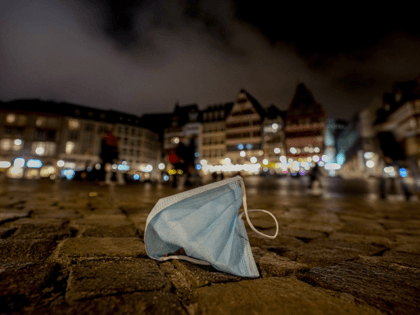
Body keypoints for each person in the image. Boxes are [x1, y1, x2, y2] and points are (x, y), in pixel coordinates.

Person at [376, 131, 412, 200]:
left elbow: (385, 148)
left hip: (393, 158)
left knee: (386, 176)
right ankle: (406, 192)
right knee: (400, 175)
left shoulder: (384, 139)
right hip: (395, 158)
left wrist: (386, 156)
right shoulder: (390, 138)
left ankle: (383, 192)